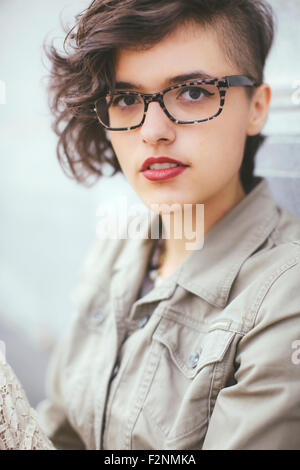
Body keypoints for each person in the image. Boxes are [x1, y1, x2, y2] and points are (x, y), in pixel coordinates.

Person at [1, 0, 300, 450]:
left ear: (257, 106)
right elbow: (63, 431)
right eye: (125, 98)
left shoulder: (286, 296)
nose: (152, 130)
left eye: (193, 91)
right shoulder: (119, 247)